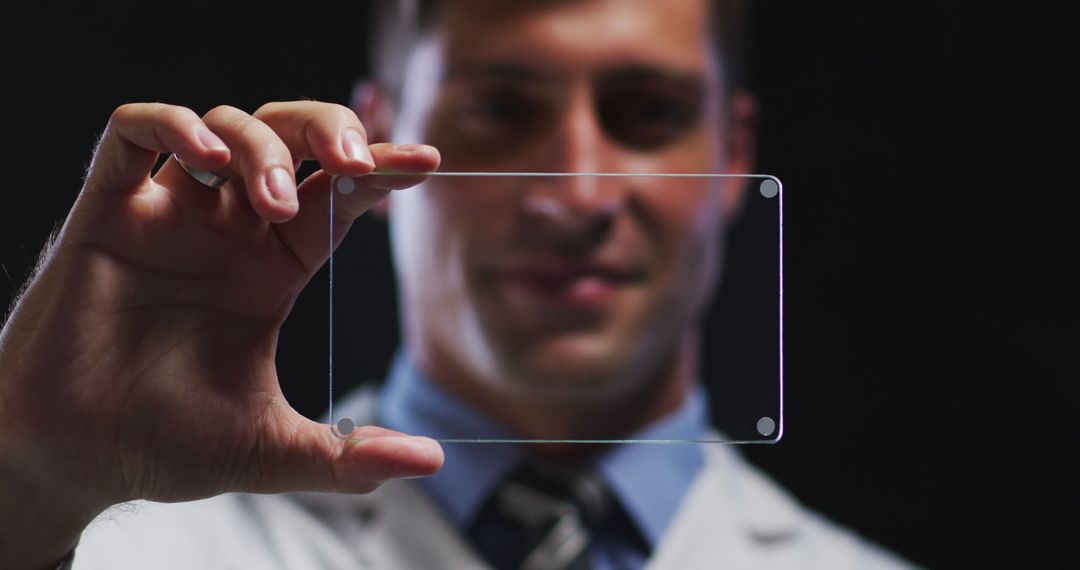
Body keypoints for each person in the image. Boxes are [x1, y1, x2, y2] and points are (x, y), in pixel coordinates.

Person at [0, 0, 917, 568]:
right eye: (498, 112)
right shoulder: (107, 551)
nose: (578, 195)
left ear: (733, 154)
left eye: (646, 115)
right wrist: (25, 476)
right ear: (372, 140)